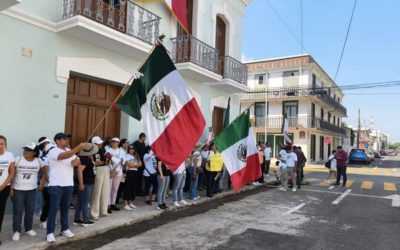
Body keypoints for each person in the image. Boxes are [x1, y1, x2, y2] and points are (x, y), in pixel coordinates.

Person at [46, 132, 86, 243]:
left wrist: (76, 161)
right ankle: (50, 232)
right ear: (57, 141)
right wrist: (78, 148)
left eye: (67, 139)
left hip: (68, 184)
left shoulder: (69, 151)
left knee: (65, 209)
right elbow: (63, 157)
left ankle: (65, 229)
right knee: (53, 209)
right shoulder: (53, 151)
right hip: (56, 185)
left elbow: (76, 162)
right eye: (64, 139)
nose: (67, 140)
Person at [11, 143, 46, 241]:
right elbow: (11, 174)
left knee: (30, 210)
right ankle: (16, 231)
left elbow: (44, 172)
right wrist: (10, 188)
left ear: (34, 152)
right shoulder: (18, 159)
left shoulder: (38, 161)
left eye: (28, 150)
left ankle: (28, 228)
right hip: (18, 189)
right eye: (25, 149)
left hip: (32, 190)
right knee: (17, 211)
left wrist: (42, 182)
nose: (25, 151)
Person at [74, 143, 98, 227]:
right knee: (85, 202)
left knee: (81, 201)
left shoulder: (88, 157)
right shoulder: (85, 158)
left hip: (88, 182)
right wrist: (81, 184)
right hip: (85, 183)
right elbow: (79, 171)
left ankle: (77, 219)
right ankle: (85, 220)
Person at [0, 135, 15, 245]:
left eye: (2, 144)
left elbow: (12, 172)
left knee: (0, 214)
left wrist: (4, 185)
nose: (0, 146)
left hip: (4, 188)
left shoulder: (9, 155)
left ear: (5, 145)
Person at [90, 136, 110, 220]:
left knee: (105, 191)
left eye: (101, 143)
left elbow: (105, 160)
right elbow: (94, 163)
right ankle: (94, 213)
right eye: (99, 143)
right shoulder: (91, 151)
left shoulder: (103, 150)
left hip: (105, 169)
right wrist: (104, 161)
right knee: (97, 192)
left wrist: (108, 159)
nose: (101, 144)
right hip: (98, 170)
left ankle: (103, 211)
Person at [106, 137, 126, 213]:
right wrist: (114, 159)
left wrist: (112, 157)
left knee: (115, 189)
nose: (114, 143)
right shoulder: (108, 150)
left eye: (116, 142)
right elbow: (107, 161)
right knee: (108, 189)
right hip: (109, 172)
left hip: (118, 172)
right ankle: (107, 205)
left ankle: (113, 204)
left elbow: (123, 162)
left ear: (118, 143)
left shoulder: (121, 151)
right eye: (112, 142)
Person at [39, 143, 54, 229]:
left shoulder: (55, 158)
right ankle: (42, 220)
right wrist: (51, 181)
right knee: (48, 203)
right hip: (47, 185)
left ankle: (49, 219)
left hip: (53, 184)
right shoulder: (45, 158)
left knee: (52, 203)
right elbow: (45, 173)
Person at [123, 145, 142, 210]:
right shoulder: (126, 155)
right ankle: (125, 204)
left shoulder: (136, 155)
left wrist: (134, 165)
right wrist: (136, 165)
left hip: (135, 172)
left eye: (132, 148)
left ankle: (130, 202)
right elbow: (129, 165)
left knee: (133, 187)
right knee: (127, 187)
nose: (131, 150)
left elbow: (141, 164)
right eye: (130, 148)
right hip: (129, 172)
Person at [115, 139, 129, 206]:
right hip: (120, 170)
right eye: (126, 143)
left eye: (128, 143)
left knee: (122, 185)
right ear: (122, 143)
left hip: (124, 170)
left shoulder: (126, 151)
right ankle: (115, 200)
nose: (127, 144)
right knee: (118, 186)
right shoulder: (120, 150)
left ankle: (117, 199)